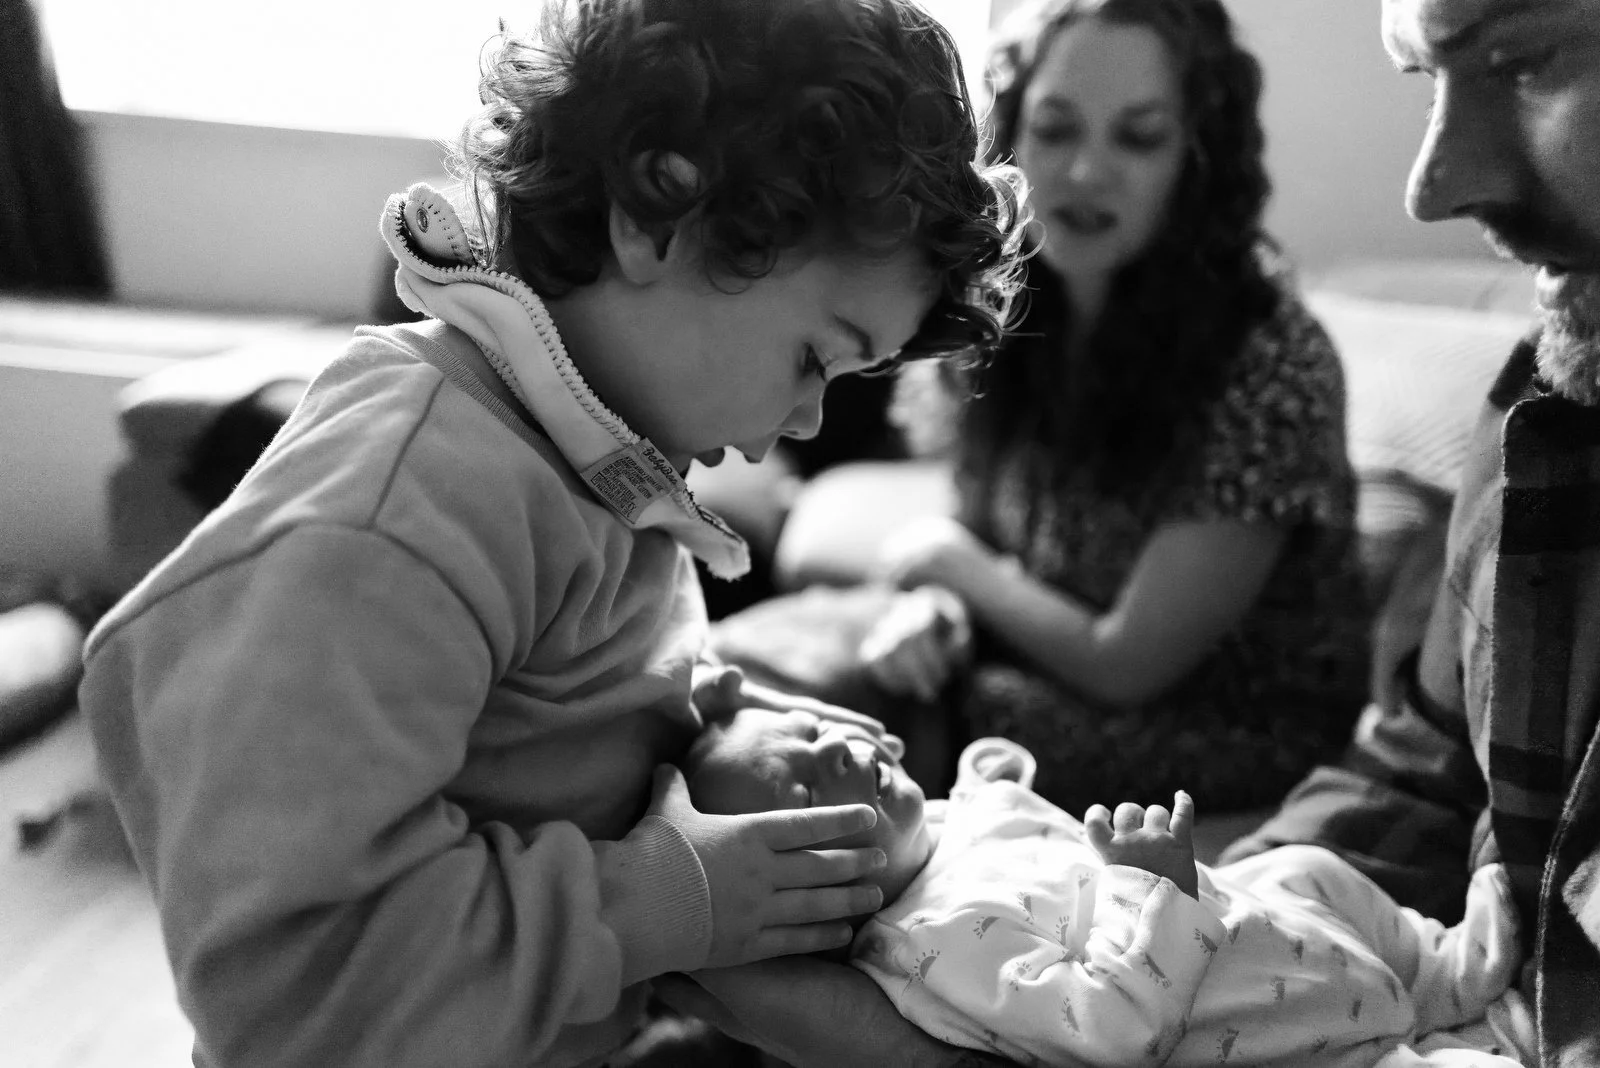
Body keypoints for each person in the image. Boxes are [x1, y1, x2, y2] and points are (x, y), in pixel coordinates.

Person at [74, 2, 1028, 1065]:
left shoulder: (593, 468)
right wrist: (663, 902)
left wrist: (738, 721)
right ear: (659, 209)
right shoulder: (394, 522)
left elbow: (566, 719)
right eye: (816, 356)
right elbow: (300, 993)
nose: (803, 421)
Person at [858, 0, 1371, 813]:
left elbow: (1127, 661)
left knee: (890, 718)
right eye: (1057, 130)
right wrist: (938, 611)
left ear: (1198, 158)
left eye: (1137, 137)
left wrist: (948, 562)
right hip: (1047, 673)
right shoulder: (1017, 308)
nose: (1086, 173)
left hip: (1224, 728)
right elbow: (997, 548)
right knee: (861, 675)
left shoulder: (1269, 358)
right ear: (1014, 134)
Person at [1214, 0, 1600, 1062]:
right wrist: (1203, 932)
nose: (1433, 187)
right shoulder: (1541, 412)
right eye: (1419, 79)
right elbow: (1420, 768)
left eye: (1522, 62)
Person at [678, 708, 1530, 1066]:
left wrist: (986, 780)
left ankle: (1445, 969)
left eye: (809, 726)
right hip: (1281, 1035)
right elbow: (1105, 1032)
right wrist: (1147, 893)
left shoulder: (937, 833)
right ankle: (1429, 1041)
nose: (833, 749)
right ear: (810, 897)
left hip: (1267, 925)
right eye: (804, 790)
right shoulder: (932, 946)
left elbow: (1000, 810)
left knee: (1303, 869)